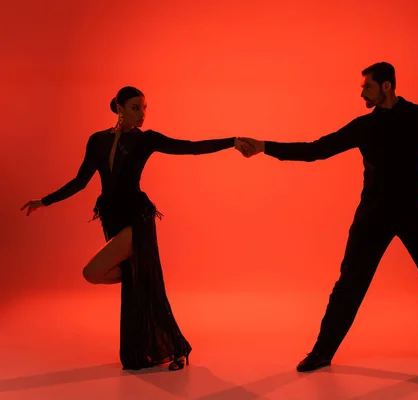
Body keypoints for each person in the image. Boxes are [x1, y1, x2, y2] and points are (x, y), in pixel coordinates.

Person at [236, 62, 418, 371]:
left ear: (386, 86)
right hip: (373, 215)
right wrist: (263, 147)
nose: (362, 92)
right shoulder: (364, 126)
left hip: (415, 212)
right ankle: (322, 352)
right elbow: (316, 150)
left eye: (367, 86)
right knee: (350, 283)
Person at [21, 86, 250, 371]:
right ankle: (175, 348)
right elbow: (81, 181)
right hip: (110, 217)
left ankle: (175, 347)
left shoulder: (147, 140)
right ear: (118, 107)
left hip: (136, 218)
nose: (142, 114)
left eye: (144, 108)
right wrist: (44, 201)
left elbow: (190, 147)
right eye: (135, 108)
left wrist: (231, 141)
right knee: (137, 281)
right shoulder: (97, 141)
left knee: (93, 272)